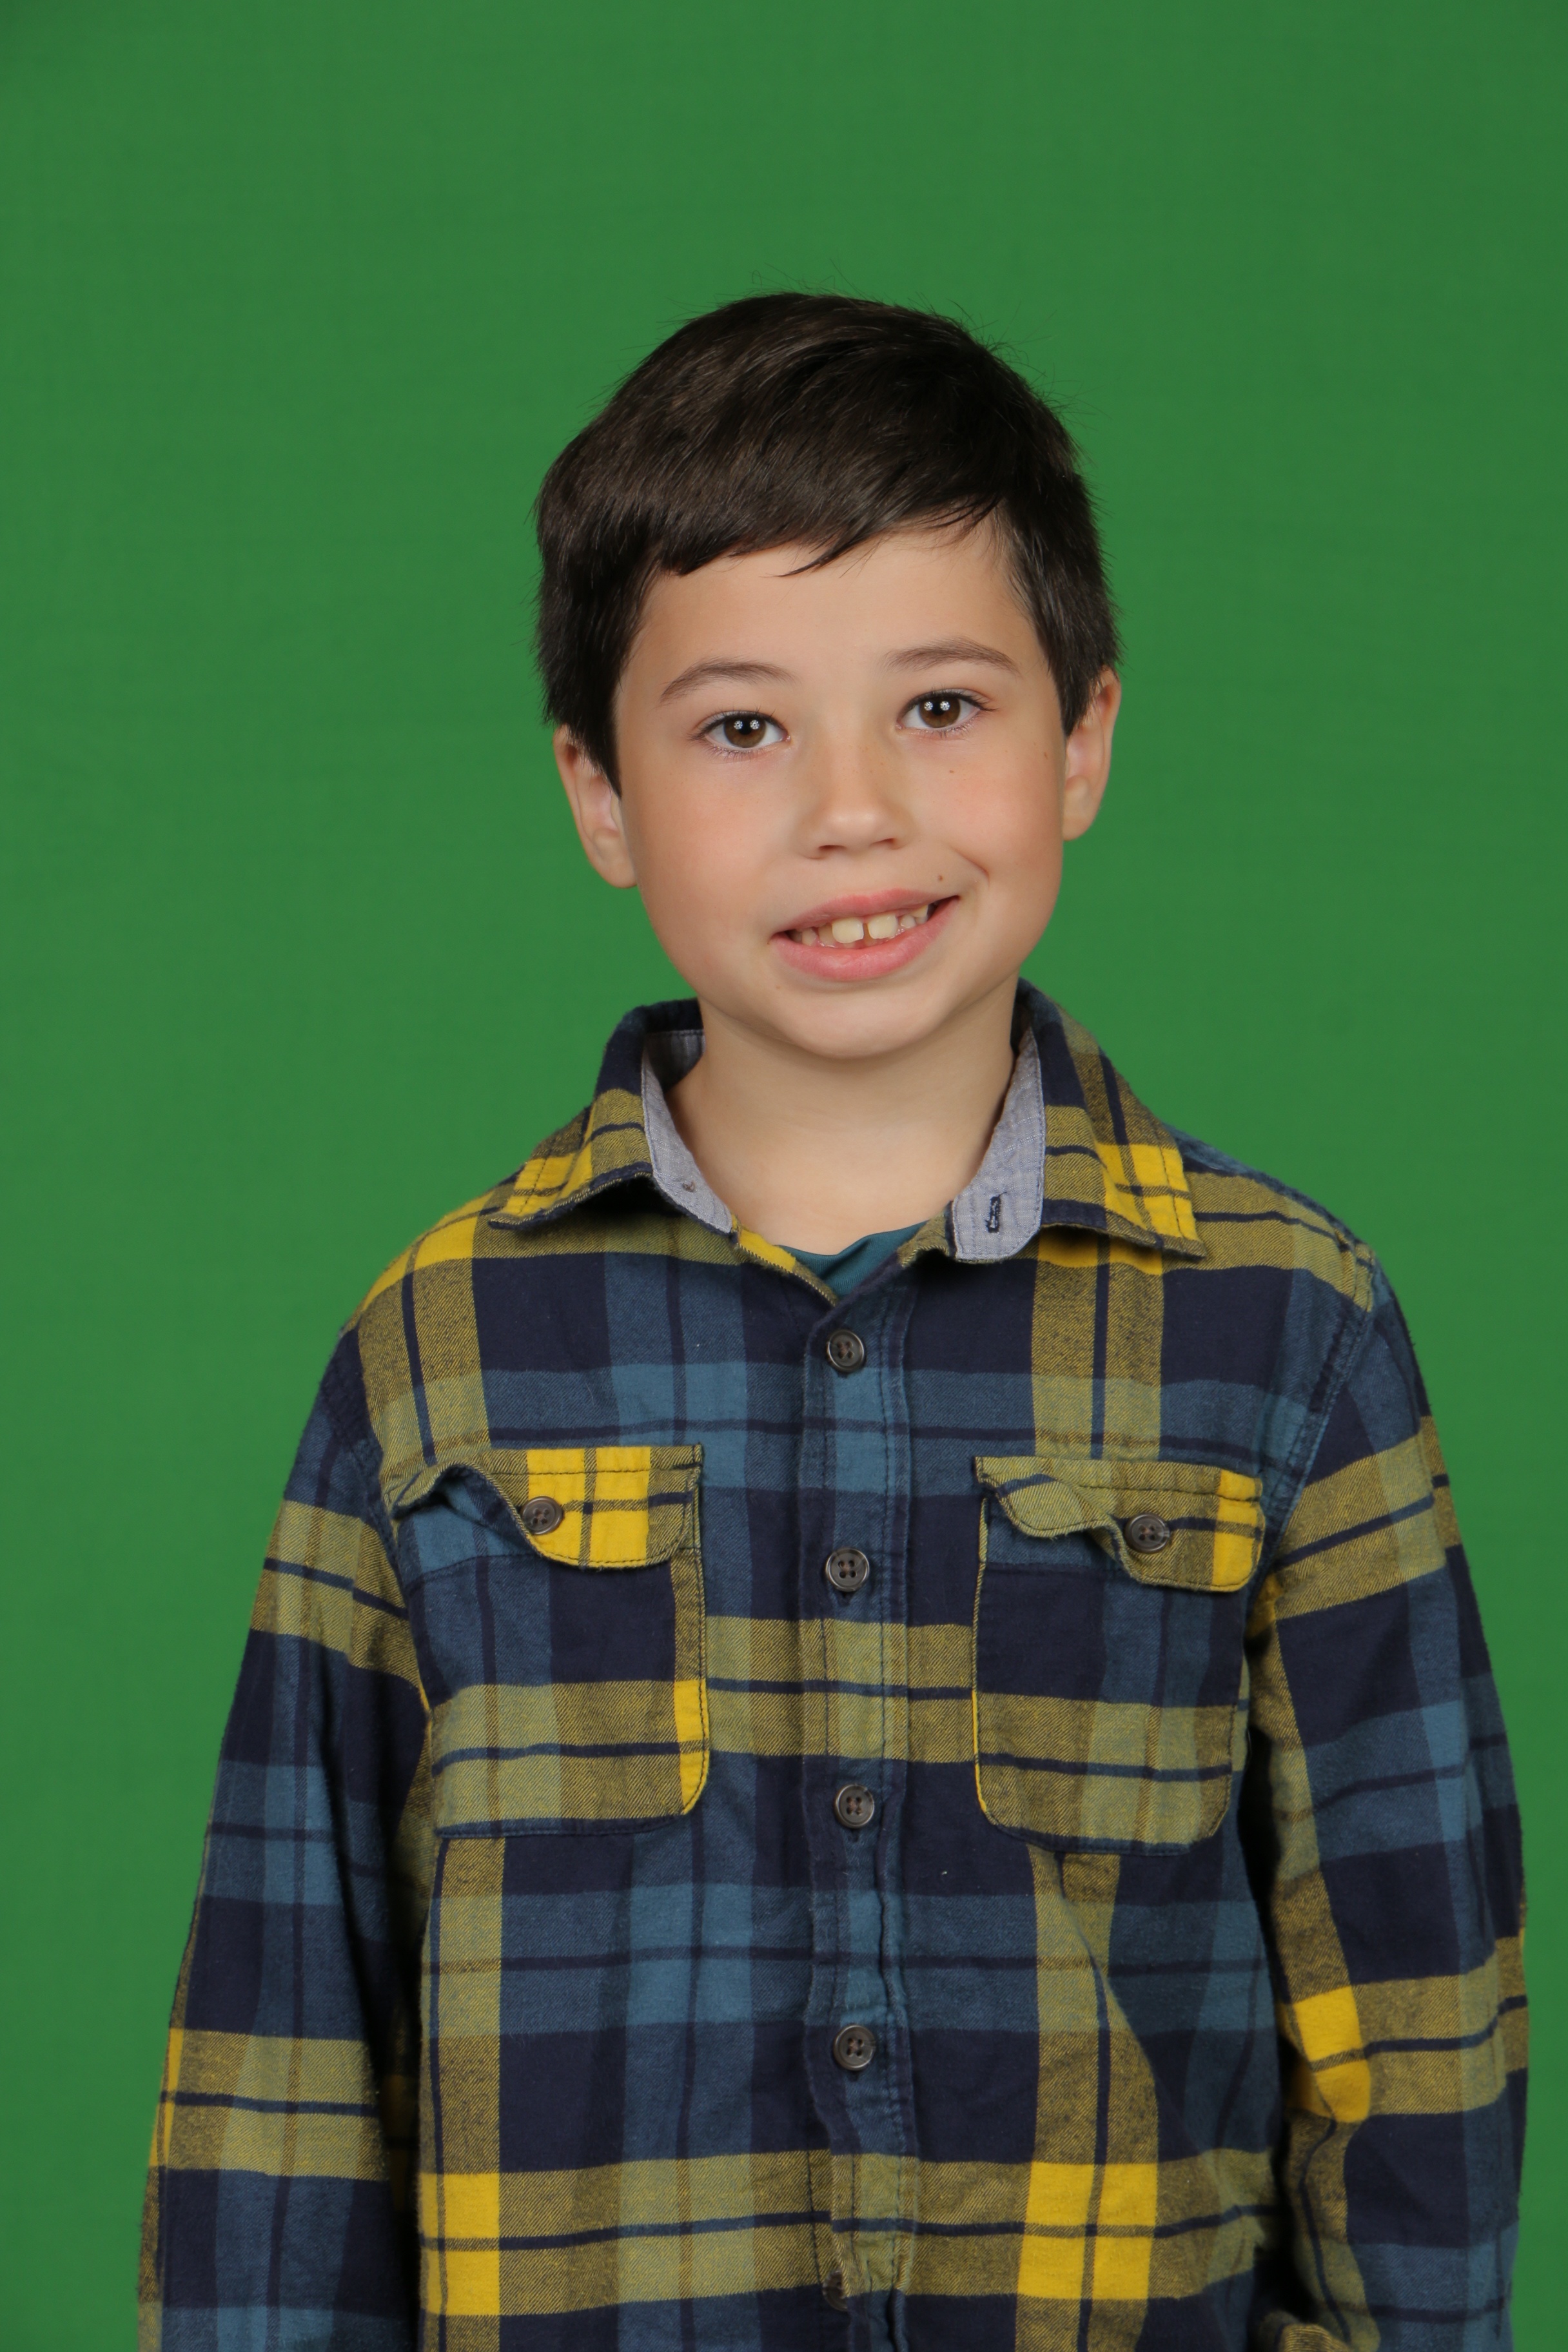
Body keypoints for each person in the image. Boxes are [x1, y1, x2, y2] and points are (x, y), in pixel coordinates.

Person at [140, 294, 1525, 2351]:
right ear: (600, 796)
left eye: (941, 706)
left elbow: (1417, 2019)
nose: (853, 809)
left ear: (1087, 741)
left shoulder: (1285, 1332)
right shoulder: (441, 1355)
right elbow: (287, 2039)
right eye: (742, 729)